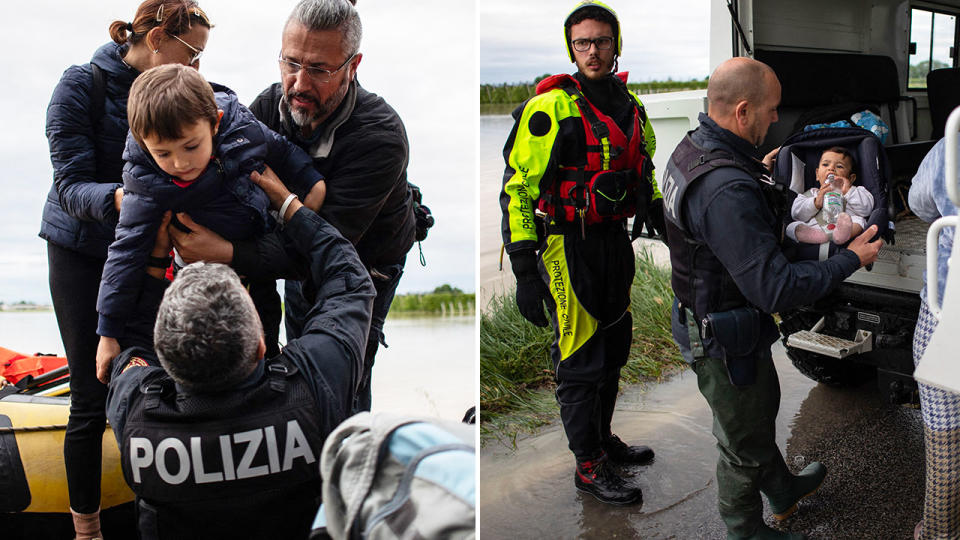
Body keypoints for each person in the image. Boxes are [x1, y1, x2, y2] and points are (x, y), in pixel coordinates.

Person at [661, 57, 883, 539]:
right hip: (721, 332)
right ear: (743, 111)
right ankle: (744, 529)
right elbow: (776, 286)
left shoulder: (693, 149)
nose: (775, 120)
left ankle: (782, 488)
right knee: (741, 441)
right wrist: (850, 259)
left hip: (724, 317)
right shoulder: (725, 188)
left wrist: (759, 175)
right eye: (770, 110)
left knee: (759, 412)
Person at [102, 167, 375, 540]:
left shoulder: (135, 410)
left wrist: (155, 261)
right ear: (263, 345)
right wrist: (289, 204)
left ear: (163, 362)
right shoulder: (314, 385)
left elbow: (131, 347)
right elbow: (350, 281)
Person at [171, 0, 416, 413]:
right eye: (290, 63)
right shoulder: (265, 108)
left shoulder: (381, 136)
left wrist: (226, 252)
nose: (299, 83)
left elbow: (325, 248)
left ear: (352, 66)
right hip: (284, 250)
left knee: (344, 377)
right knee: (297, 359)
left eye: (319, 69)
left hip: (365, 264)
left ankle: (346, 460)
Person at [39, 2, 211, 536]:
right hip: (80, 252)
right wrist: (126, 200)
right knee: (91, 398)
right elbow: (68, 186)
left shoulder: (178, 94)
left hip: (145, 253)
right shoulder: (80, 85)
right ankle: (87, 529)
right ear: (157, 38)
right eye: (194, 53)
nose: (199, 69)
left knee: (164, 379)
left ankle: (163, 518)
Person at [498, 1, 663, 506]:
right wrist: (525, 269)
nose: (592, 51)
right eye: (582, 43)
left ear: (617, 44)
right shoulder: (551, 108)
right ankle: (587, 466)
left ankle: (602, 441)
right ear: (571, 48)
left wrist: (653, 206)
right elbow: (517, 190)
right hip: (568, 247)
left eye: (602, 41)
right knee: (579, 360)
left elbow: (644, 165)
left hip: (614, 243)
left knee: (614, 352)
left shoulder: (630, 104)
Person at [94, 64, 326, 369]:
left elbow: (280, 149)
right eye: (162, 153)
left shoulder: (241, 130)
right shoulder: (144, 181)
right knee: (197, 356)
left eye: (191, 146)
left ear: (215, 124)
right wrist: (108, 334)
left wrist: (312, 182)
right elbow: (124, 252)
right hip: (192, 278)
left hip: (255, 270)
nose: (179, 162)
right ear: (143, 142)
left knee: (265, 347)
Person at [908, 138, 960, 540]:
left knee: (944, 433)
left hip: (948, 310)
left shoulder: (953, 140)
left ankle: (940, 533)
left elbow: (920, 203)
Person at [787, 146, 874, 245]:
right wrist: (815, 203)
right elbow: (796, 214)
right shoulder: (811, 194)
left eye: (839, 166)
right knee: (791, 227)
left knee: (860, 221)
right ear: (817, 174)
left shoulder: (856, 191)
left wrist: (848, 190)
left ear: (851, 178)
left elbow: (866, 209)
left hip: (845, 227)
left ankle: (841, 235)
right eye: (825, 164)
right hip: (816, 229)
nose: (831, 168)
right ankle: (818, 236)